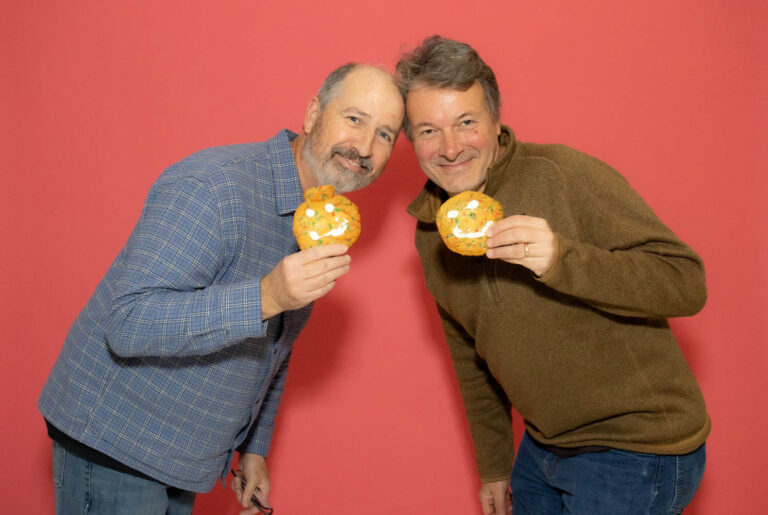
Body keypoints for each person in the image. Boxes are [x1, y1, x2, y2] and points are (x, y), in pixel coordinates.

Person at [38, 63, 404, 515]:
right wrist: (266, 295)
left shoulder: (318, 220)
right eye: (354, 119)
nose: (365, 147)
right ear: (312, 115)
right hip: (116, 444)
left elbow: (276, 343)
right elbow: (127, 323)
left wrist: (253, 445)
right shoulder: (214, 186)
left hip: (183, 459)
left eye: (386, 134)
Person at [396, 36, 709, 514]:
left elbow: (685, 282)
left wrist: (563, 260)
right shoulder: (430, 233)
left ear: (495, 121)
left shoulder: (561, 174)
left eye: (466, 122)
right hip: (542, 449)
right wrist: (495, 467)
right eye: (428, 130)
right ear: (410, 140)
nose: (451, 147)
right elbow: (471, 359)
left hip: (634, 448)